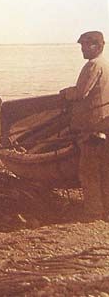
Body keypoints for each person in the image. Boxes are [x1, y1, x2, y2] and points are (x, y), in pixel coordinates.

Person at [60, 31, 109, 220]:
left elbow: (81, 93)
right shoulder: (106, 64)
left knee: (89, 171)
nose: (82, 49)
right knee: (105, 170)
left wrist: (65, 93)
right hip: (104, 126)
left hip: (92, 128)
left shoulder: (93, 66)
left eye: (85, 45)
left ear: (96, 46)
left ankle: (94, 213)